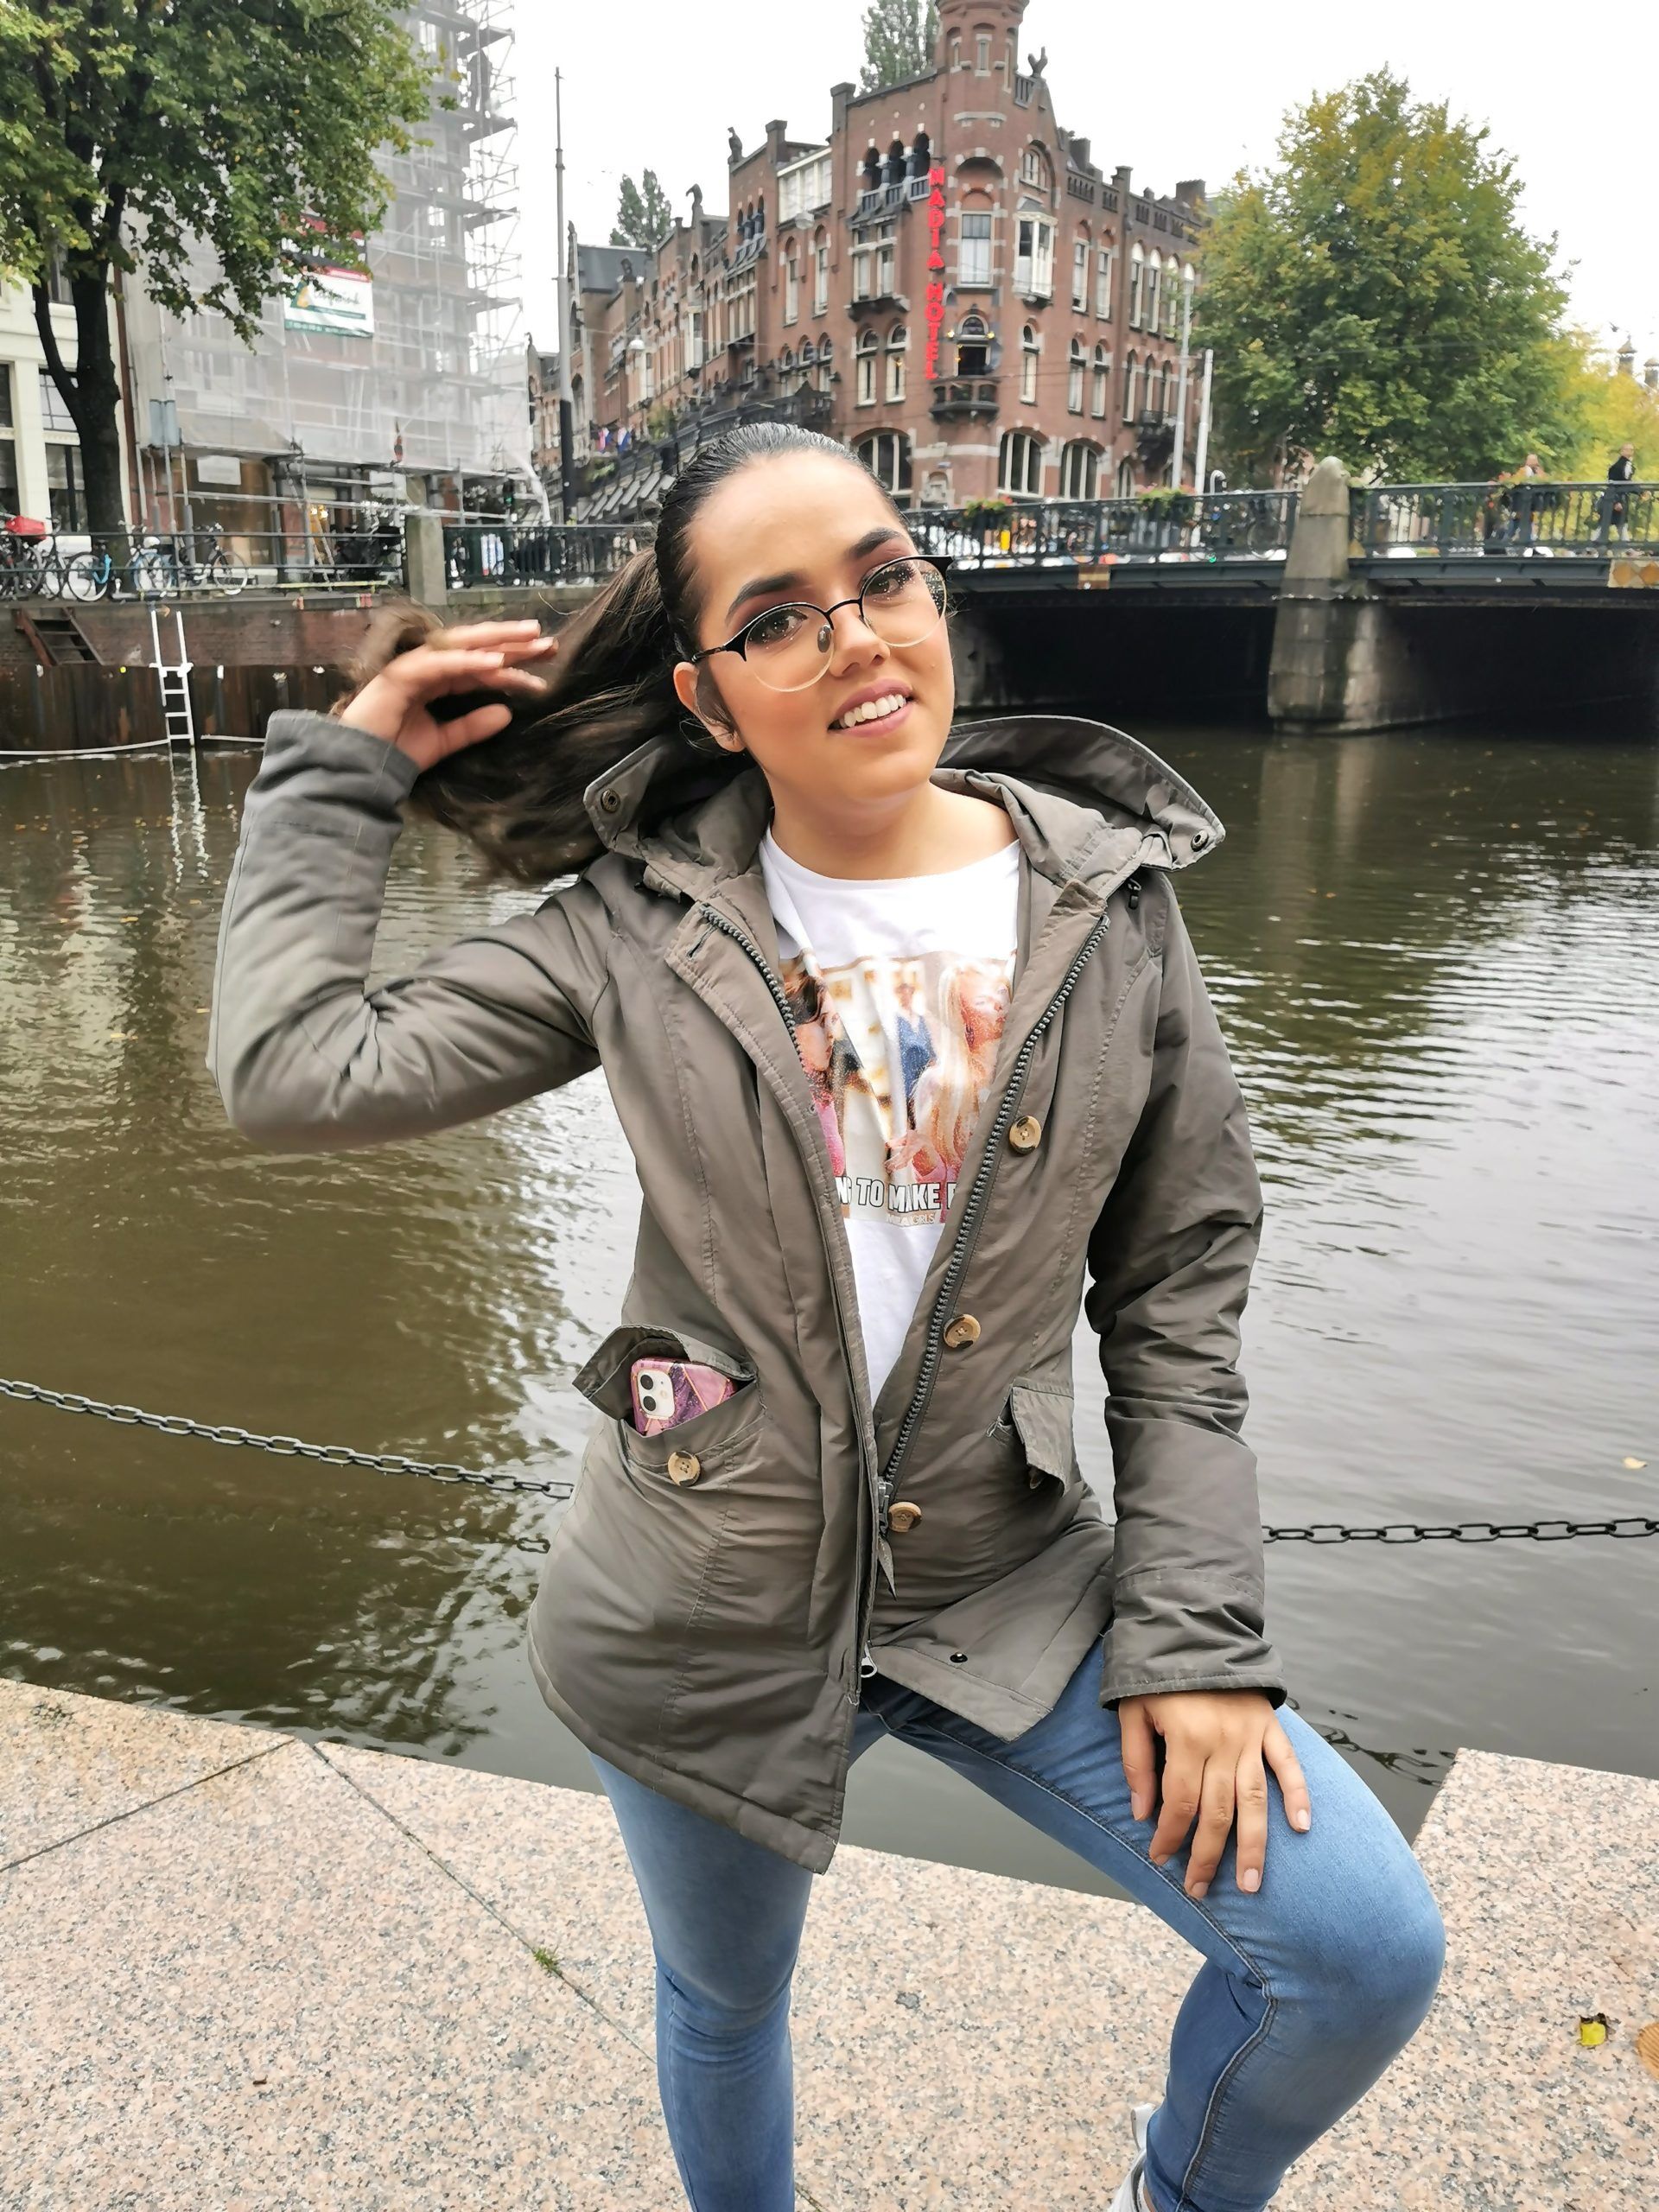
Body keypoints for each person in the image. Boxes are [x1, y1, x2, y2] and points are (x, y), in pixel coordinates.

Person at [207, 423, 1446, 2212]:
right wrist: (345, 772)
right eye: (779, 617)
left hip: (1004, 1582)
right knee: (725, 2000)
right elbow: (292, 1070)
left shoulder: (1111, 905)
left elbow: (1179, 1291)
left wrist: (1197, 1641)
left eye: (882, 579)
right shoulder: (626, 929)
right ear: (709, 698)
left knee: (1357, 1949)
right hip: (702, 1597)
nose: (855, 635)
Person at [1599, 442, 1637, 543]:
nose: (1630, 452)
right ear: (1622, 451)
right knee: (1608, 523)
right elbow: (1614, 484)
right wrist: (1616, 501)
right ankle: (1593, 545)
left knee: (1618, 523)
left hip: (1618, 499)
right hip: (1615, 499)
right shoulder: (1618, 466)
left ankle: (1626, 547)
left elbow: (1626, 483)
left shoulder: (1626, 465)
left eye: (1632, 450)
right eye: (1628, 450)